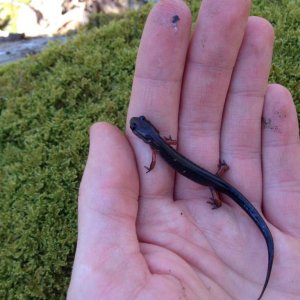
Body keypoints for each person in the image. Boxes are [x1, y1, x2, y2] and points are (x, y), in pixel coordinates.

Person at [67, 0, 300, 299]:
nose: (136, 127)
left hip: (212, 181)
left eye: (139, 128)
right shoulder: (161, 141)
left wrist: (153, 167)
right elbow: (164, 147)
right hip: (211, 177)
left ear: (147, 135)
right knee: (216, 184)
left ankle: (221, 193)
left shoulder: (156, 146)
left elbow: (155, 156)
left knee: (217, 188)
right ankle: (222, 184)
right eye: (138, 127)